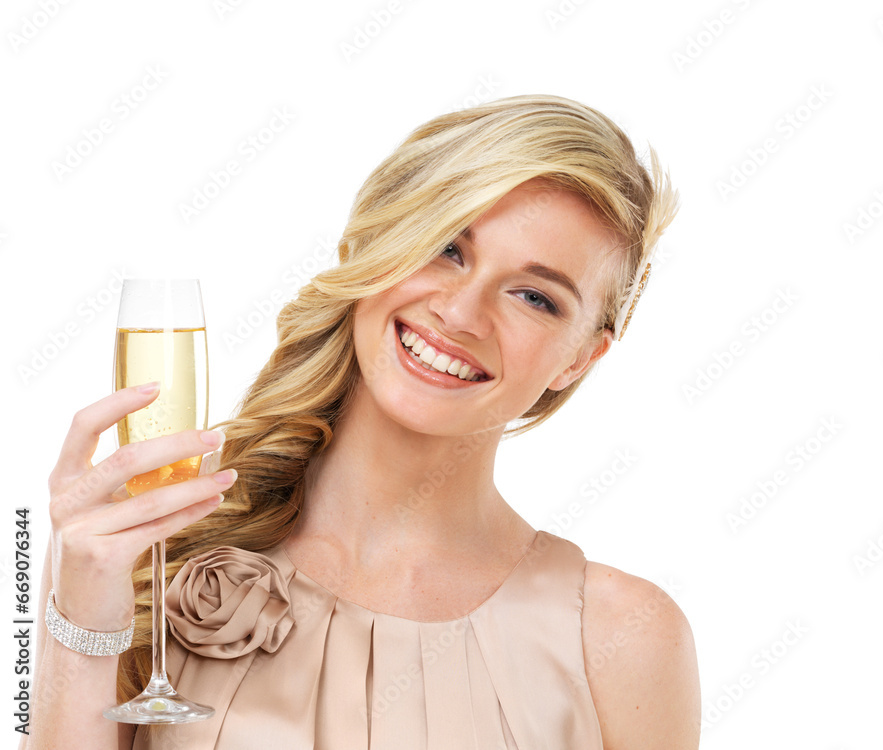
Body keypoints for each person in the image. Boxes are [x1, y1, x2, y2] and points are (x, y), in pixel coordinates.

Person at [25, 94, 700, 749]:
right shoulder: (151, 552)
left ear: (579, 358)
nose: (461, 314)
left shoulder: (624, 638)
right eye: (445, 247)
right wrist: (76, 627)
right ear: (370, 245)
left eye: (533, 296)